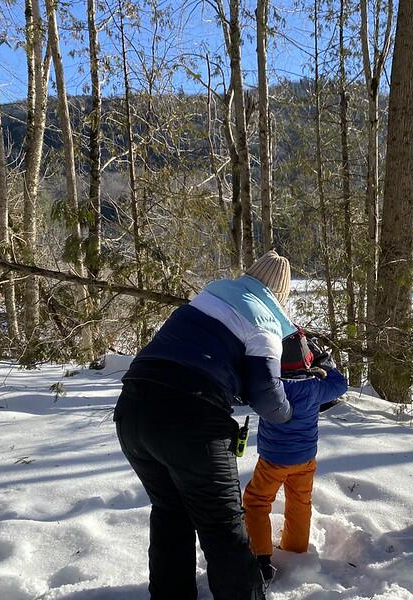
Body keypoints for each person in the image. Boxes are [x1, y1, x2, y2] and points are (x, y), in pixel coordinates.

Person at [113, 250, 296, 600]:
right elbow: (268, 399)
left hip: (132, 411)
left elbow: (200, 356)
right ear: (280, 296)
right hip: (191, 420)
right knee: (222, 527)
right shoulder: (265, 322)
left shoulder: (207, 297)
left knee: (169, 510)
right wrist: (289, 412)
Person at [243, 328, 348, 582]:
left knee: (257, 502)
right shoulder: (315, 388)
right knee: (300, 503)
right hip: (304, 460)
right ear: (307, 359)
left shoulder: (270, 387)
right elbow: (340, 384)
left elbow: (246, 387)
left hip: (272, 460)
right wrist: (325, 361)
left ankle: (261, 557)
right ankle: (295, 549)